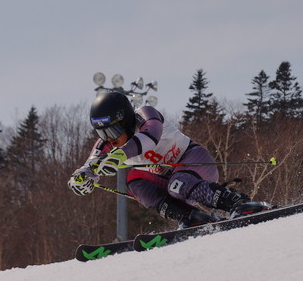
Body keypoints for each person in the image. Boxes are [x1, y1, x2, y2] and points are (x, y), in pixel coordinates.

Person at [68, 91, 269, 228]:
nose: (108, 138)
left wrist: (120, 155)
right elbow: (90, 165)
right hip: (167, 178)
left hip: (194, 161)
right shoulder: (107, 143)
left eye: (112, 130)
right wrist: (81, 178)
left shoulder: (146, 114)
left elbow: (150, 137)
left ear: (127, 122)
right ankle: (191, 218)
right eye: (101, 133)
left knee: (177, 184)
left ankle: (239, 203)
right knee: (135, 181)